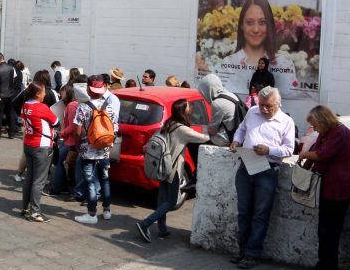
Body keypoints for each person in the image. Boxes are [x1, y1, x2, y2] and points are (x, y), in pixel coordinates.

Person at [229, 86, 295, 270]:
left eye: (268, 106)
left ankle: (252, 253)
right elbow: (242, 129)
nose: (264, 109)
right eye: (262, 105)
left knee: (260, 213)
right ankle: (242, 250)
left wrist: (269, 150)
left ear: (278, 104)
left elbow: (289, 149)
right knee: (243, 211)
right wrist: (236, 140)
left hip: (268, 168)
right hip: (246, 165)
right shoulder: (252, 111)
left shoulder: (286, 122)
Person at [298, 105, 350, 270]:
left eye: (316, 125)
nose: (315, 129)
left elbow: (321, 155)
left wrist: (305, 155)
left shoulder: (340, 132)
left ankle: (328, 268)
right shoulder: (326, 133)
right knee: (324, 229)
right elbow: (316, 152)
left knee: (330, 230)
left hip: (338, 187)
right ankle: (323, 264)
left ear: (323, 120)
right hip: (327, 186)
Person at [135, 99, 210, 242]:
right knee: (171, 201)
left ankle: (162, 229)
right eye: (188, 106)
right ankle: (145, 223)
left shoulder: (168, 124)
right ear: (183, 110)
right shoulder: (182, 129)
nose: (191, 108)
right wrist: (211, 131)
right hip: (173, 169)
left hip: (162, 166)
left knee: (162, 198)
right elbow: (203, 138)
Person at [217, 0, 298, 98]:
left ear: (269, 25)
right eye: (249, 22)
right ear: (242, 25)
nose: (256, 29)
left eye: (262, 22)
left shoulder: (284, 63)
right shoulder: (227, 64)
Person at [72, 75, 119, 224]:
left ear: (88, 89)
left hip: (87, 150)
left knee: (90, 181)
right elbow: (114, 128)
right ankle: (107, 210)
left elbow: (78, 132)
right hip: (104, 148)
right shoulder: (110, 106)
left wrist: (78, 146)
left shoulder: (83, 107)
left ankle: (91, 214)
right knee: (105, 179)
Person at [19, 81, 59, 222]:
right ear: (37, 94)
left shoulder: (25, 105)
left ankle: (25, 208)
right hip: (41, 146)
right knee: (39, 180)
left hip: (28, 144)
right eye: (43, 92)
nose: (45, 94)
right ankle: (35, 212)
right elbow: (55, 122)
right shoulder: (41, 107)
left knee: (29, 177)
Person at [49, 84, 78, 196]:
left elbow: (72, 126)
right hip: (72, 140)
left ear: (69, 92)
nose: (60, 93)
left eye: (63, 92)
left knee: (58, 162)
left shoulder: (71, 106)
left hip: (70, 140)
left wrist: (61, 133)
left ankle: (57, 189)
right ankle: (63, 187)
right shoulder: (73, 104)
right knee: (61, 162)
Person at [197, 73, 239, 147]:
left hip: (225, 139)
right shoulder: (231, 95)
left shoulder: (217, 103)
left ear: (207, 89)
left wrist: (204, 129)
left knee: (194, 144)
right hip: (237, 136)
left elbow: (213, 130)